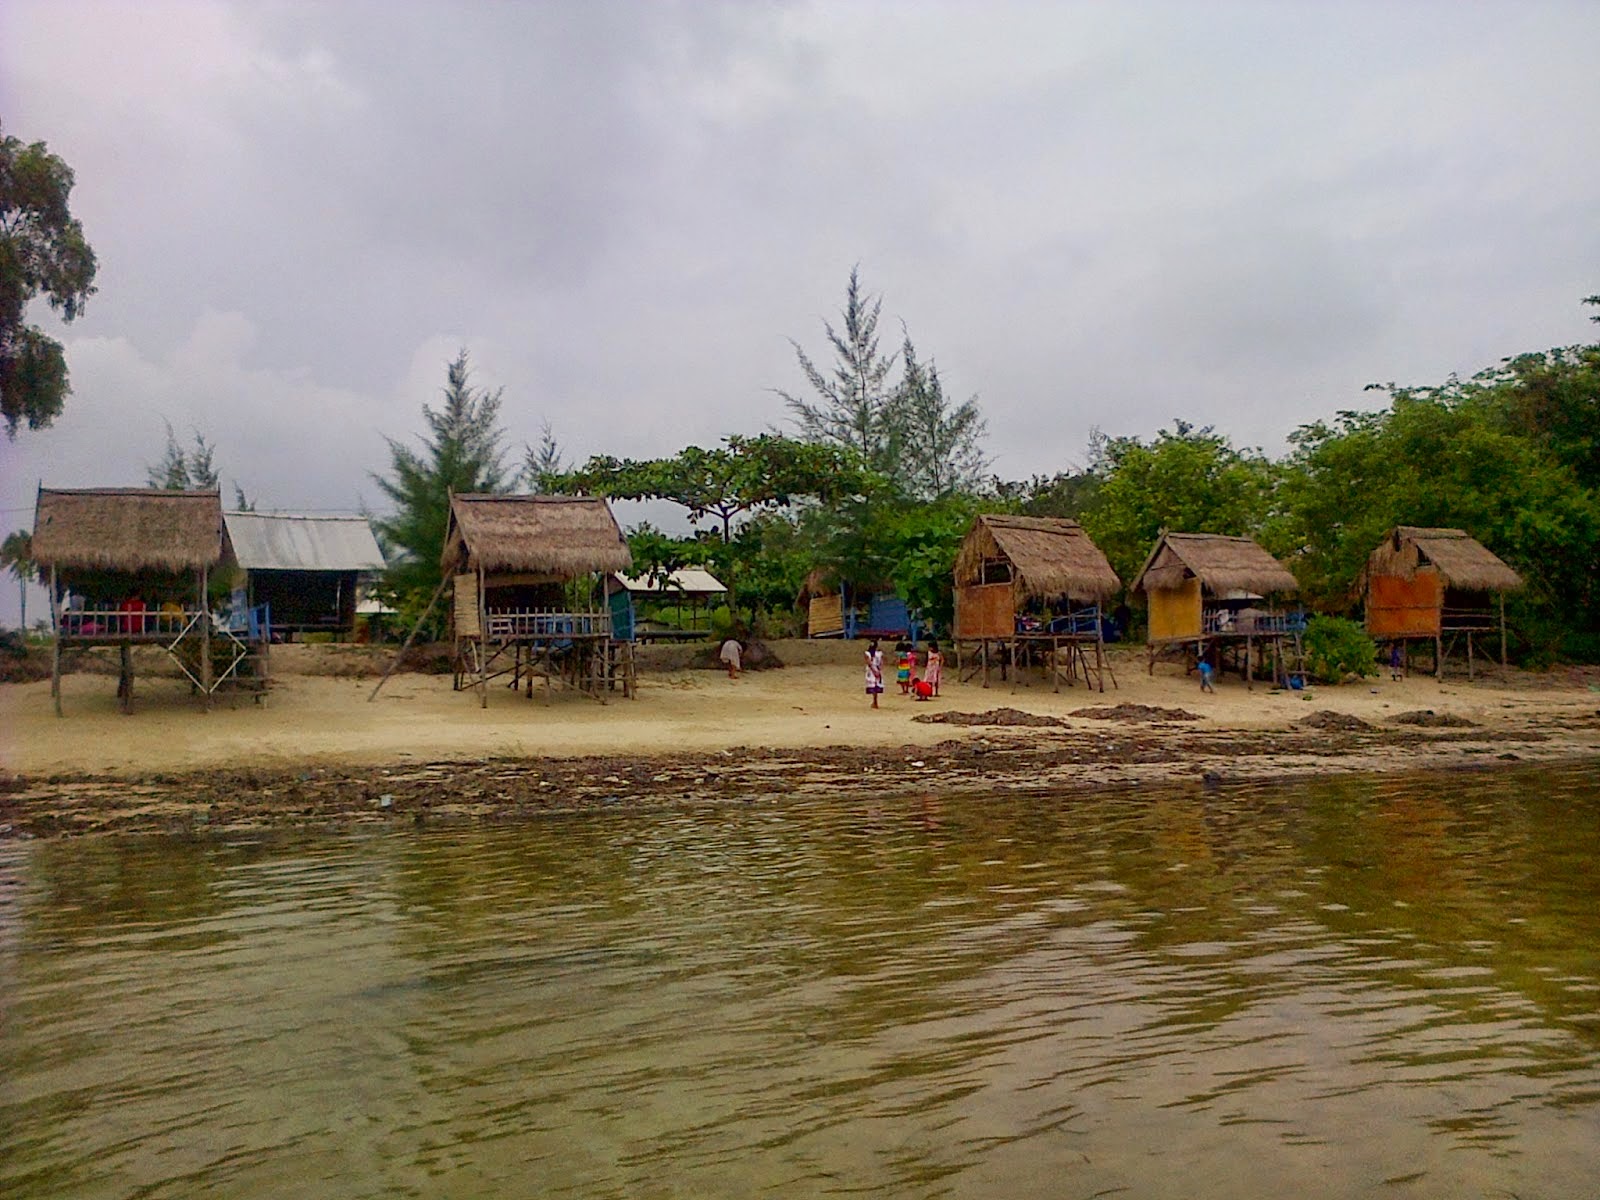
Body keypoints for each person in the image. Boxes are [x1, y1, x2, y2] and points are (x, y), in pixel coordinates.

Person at [864, 638, 884, 709]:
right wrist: (878, 670)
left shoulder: (867, 653)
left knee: (873, 686)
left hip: (871, 671)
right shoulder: (879, 653)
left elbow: (869, 663)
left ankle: (874, 701)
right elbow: (881, 663)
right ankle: (875, 701)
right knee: (876, 686)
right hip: (878, 670)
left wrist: (874, 670)